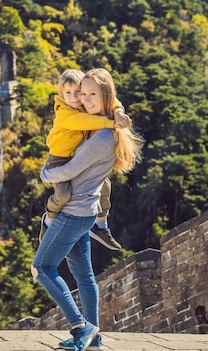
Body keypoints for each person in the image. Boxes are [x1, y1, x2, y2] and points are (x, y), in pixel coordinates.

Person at [32, 68, 144, 351]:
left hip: (73, 212)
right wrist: (115, 111)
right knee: (83, 276)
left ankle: (81, 326)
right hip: (86, 212)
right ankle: (94, 339)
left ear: (104, 96)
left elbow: (70, 169)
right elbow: (108, 105)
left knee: (42, 267)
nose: (86, 98)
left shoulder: (103, 137)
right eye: (84, 93)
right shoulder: (95, 124)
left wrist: (45, 174)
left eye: (93, 94)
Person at [40, 69, 132, 250]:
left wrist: (119, 111)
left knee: (104, 185)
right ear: (61, 94)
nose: (76, 98)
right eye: (69, 93)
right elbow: (85, 122)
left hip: (74, 155)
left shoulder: (82, 104)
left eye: (79, 92)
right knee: (63, 195)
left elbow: (110, 99)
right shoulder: (65, 113)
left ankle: (101, 225)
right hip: (58, 160)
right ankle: (48, 218)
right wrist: (111, 122)